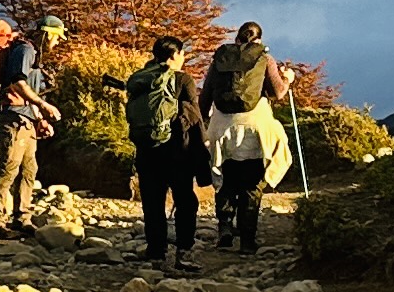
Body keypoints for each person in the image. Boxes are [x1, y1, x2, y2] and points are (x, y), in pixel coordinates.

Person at [201, 21, 292, 254]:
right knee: (252, 184)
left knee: (225, 180)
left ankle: (224, 229)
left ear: (237, 38)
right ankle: (248, 241)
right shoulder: (264, 57)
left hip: (222, 128)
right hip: (255, 129)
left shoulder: (220, 58)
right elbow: (278, 92)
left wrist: (202, 128)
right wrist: (288, 79)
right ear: (259, 39)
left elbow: (205, 97)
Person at [124, 32, 203, 265]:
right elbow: (194, 115)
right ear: (173, 55)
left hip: (147, 148)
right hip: (177, 149)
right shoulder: (182, 80)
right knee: (185, 200)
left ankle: (156, 250)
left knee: (152, 200)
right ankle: (184, 251)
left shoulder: (140, 78)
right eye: (182, 53)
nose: (184, 57)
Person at [0, 14, 61, 236]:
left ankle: (22, 218)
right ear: (47, 35)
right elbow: (18, 83)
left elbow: (28, 93)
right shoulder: (26, 51)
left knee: (29, 169)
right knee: (9, 169)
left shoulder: (32, 54)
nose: (57, 43)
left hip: (25, 119)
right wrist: (44, 105)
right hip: (12, 119)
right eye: (56, 38)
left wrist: (40, 120)